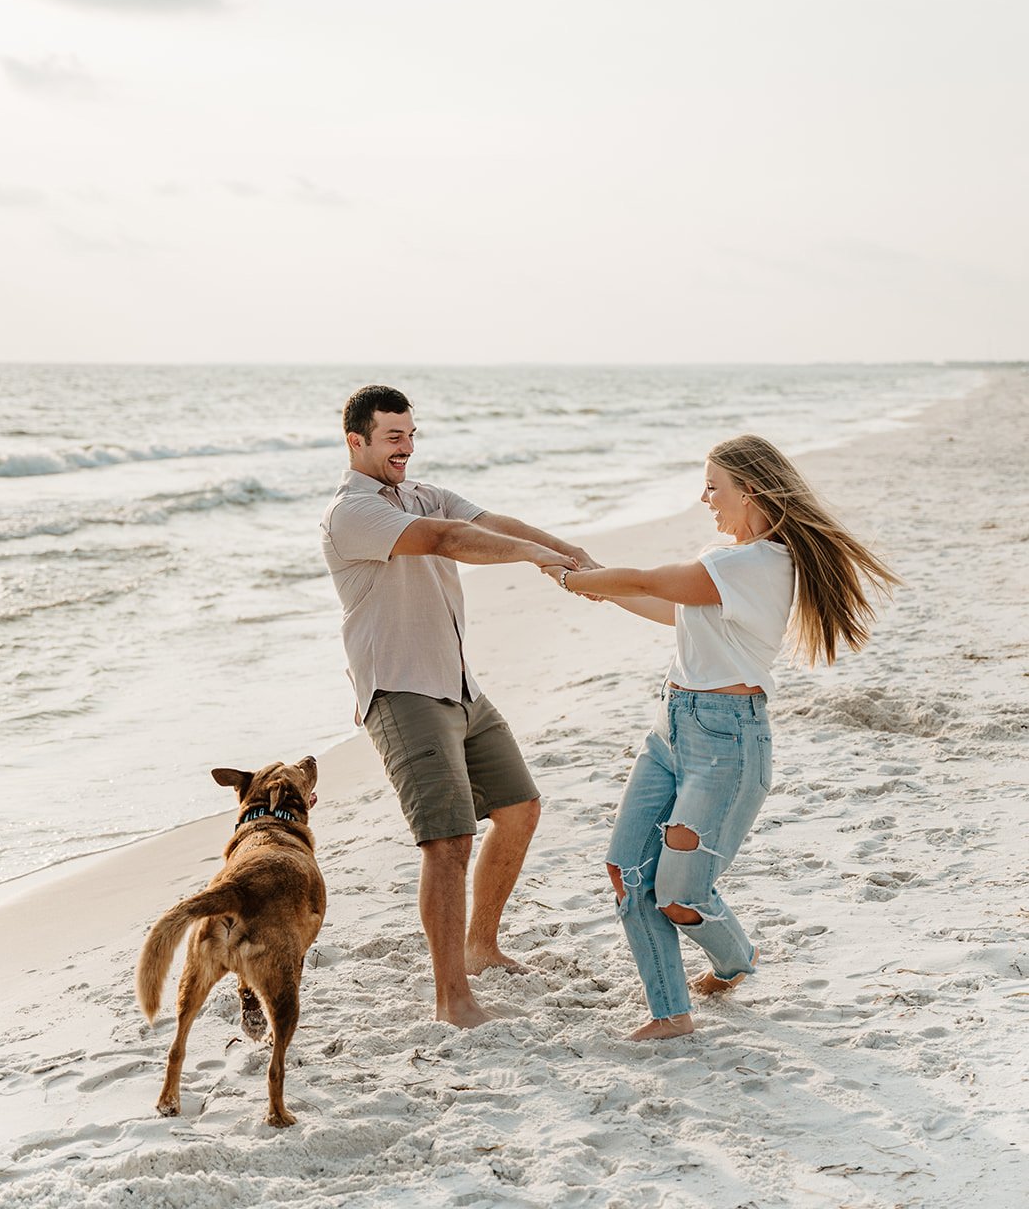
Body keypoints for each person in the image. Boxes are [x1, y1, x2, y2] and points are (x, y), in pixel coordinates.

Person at [545, 434, 899, 1042]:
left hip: (727, 744)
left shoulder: (757, 563)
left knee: (680, 894)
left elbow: (654, 578)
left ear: (750, 490)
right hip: (670, 729)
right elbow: (670, 606)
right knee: (627, 871)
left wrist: (584, 578)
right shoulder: (726, 564)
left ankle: (737, 959)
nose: (704, 498)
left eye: (714, 486)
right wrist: (602, 588)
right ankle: (670, 1013)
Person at [321, 384, 598, 1029]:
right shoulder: (352, 514)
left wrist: (565, 551)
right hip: (402, 692)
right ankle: (451, 998)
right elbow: (447, 540)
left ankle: (481, 946)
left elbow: (486, 523)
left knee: (520, 809)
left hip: (461, 687)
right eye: (394, 437)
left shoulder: (422, 493)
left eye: (412, 435)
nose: (407, 449)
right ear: (355, 441)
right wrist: (534, 558)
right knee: (447, 840)